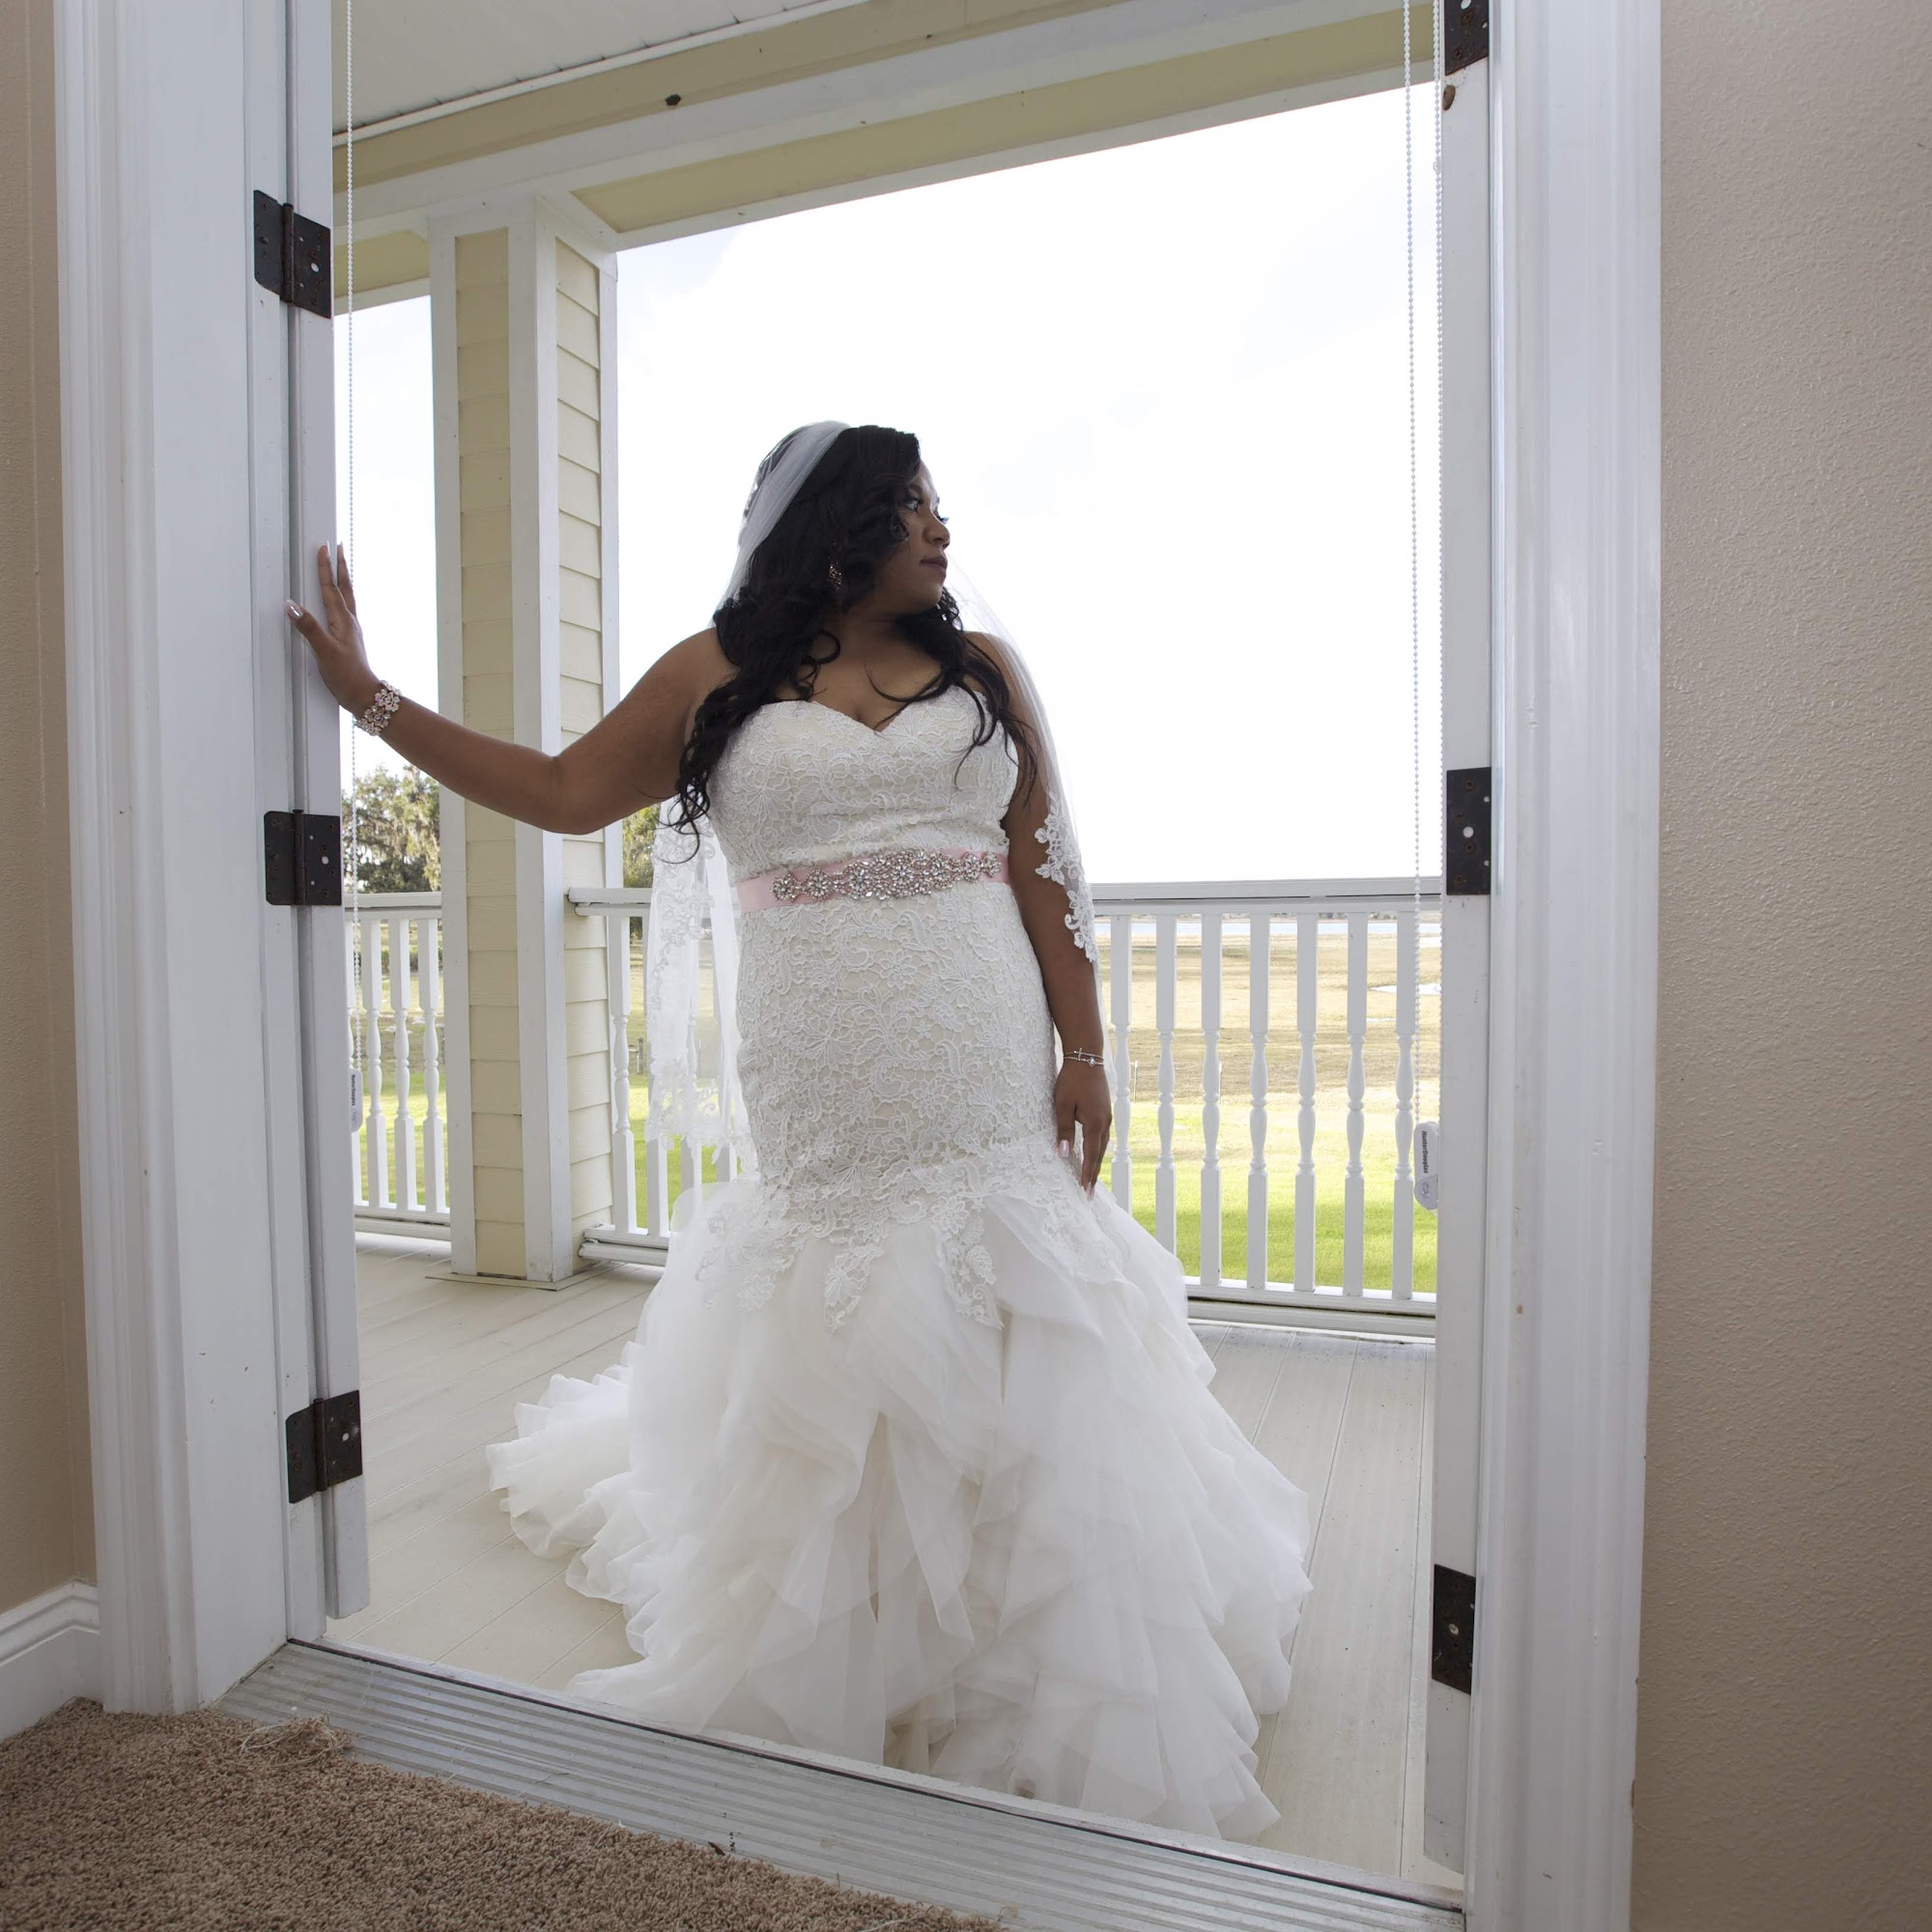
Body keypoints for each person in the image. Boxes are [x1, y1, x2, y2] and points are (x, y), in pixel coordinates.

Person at [286, 421, 1312, 1842]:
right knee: (850, 1297)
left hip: (980, 1041)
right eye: (911, 506)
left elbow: (1045, 869)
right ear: (834, 529)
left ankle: (1030, 1624)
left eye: (940, 505)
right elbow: (564, 792)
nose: (940, 529)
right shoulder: (715, 676)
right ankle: (846, 1621)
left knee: (1010, 1280)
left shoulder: (985, 673)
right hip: (823, 1058)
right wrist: (372, 702)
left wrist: (1086, 1052)